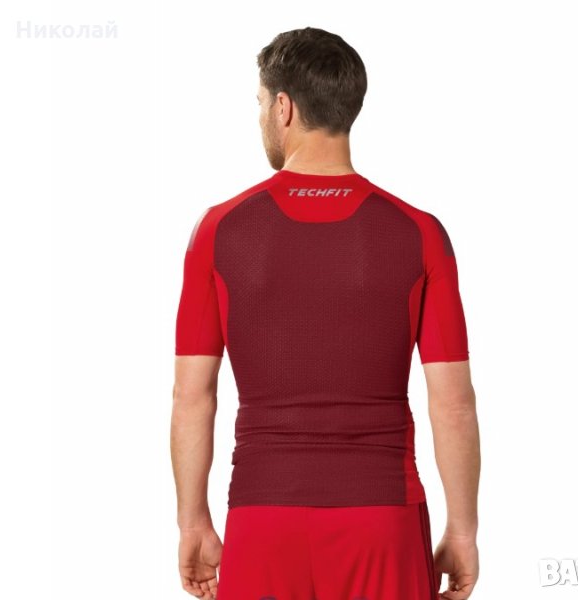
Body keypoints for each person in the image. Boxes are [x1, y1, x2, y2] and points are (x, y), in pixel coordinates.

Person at [171, 26, 480, 600]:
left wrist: (193, 523)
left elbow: (193, 395)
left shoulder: (219, 230)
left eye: (260, 103)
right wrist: (462, 531)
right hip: (382, 517)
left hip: (263, 517)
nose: (261, 116)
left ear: (283, 107)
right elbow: (453, 402)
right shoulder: (418, 232)